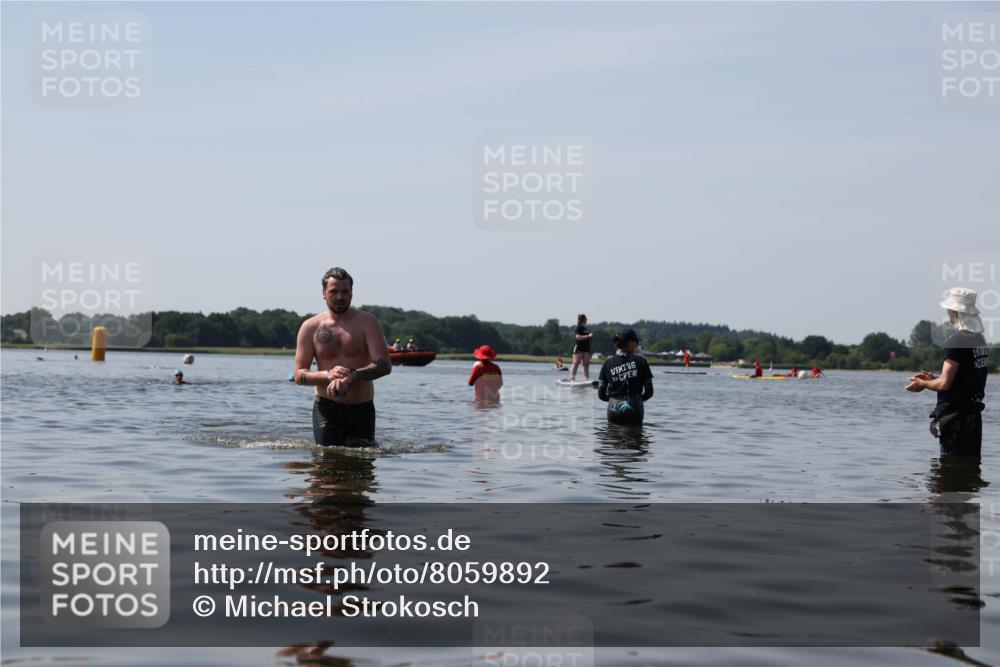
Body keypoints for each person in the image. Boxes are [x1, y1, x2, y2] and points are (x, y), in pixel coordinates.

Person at [294, 267, 392, 447]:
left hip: (361, 408)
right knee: (325, 467)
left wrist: (351, 377)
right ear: (324, 293)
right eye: (334, 291)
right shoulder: (310, 327)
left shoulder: (367, 322)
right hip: (326, 408)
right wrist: (327, 375)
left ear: (352, 293)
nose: (340, 296)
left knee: (362, 470)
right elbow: (299, 375)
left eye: (345, 291)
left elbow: (384, 365)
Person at [906, 287, 989, 456]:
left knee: (951, 467)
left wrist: (923, 383)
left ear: (955, 311)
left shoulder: (956, 340)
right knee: (970, 466)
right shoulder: (979, 339)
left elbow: (945, 384)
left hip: (956, 417)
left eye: (949, 310)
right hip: (973, 415)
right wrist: (933, 378)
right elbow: (965, 377)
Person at [598, 329, 654, 425]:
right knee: (634, 438)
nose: (637, 345)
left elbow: (601, 394)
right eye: (636, 342)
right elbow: (649, 391)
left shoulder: (607, 363)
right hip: (635, 405)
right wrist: (637, 400)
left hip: (613, 406)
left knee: (612, 437)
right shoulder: (641, 362)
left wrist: (613, 399)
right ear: (631, 342)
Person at [570, 314, 594, 382]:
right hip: (578, 347)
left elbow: (588, 337)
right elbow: (578, 337)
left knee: (586, 364)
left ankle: (586, 379)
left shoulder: (586, 328)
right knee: (576, 363)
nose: (587, 320)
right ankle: (573, 378)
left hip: (586, 348)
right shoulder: (578, 328)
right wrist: (588, 336)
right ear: (583, 320)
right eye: (586, 319)